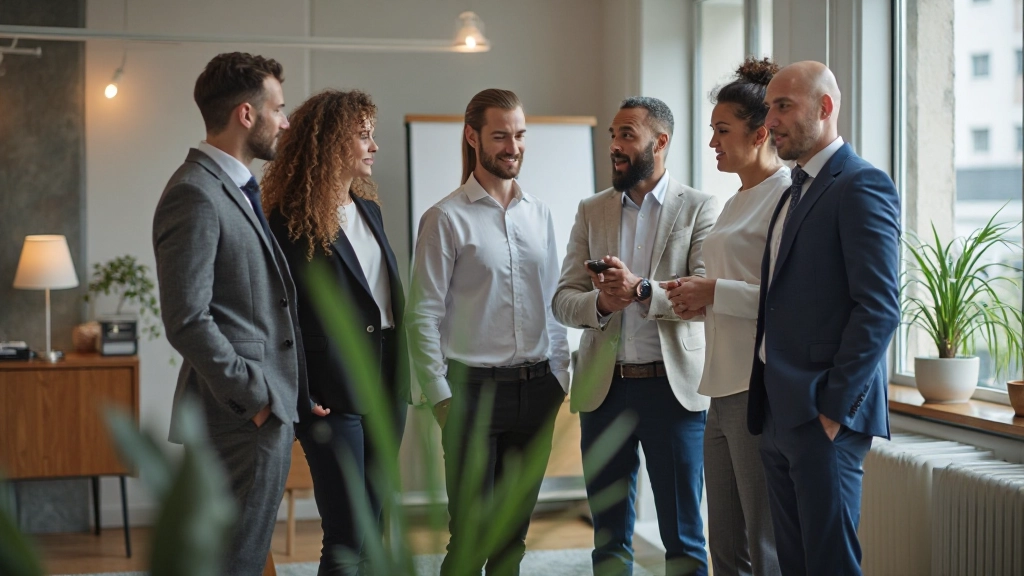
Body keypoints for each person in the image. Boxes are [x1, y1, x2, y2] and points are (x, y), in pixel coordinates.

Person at [152, 52, 323, 576]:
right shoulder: (194, 192)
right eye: (279, 108)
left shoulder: (240, 190)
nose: (287, 121)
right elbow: (187, 318)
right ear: (246, 115)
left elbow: (258, 308)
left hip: (262, 412)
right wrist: (256, 400)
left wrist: (294, 391)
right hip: (240, 418)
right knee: (233, 562)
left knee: (241, 556)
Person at [406, 88, 570, 576]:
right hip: (471, 396)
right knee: (472, 537)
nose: (513, 146)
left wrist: (558, 375)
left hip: (538, 389)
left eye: (519, 135)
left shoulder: (539, 213)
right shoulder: (444, 217)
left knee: (512, 539)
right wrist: (440, 397)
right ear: (472, 138)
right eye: (500, 136)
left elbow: (552, 302)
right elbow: (423, 315)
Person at [552, 96, 719, 576]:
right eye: (612, 135)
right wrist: (603, 303)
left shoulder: (700, 209)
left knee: (684, 539)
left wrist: (642, 290)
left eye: (627, 134)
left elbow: (705, 296)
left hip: (675, 393)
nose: (615, 146)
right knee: (608, 540)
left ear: (660, 142)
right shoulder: (592, 211)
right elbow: (564, 299)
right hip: (605, 392)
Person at [747, 61, 900, 576]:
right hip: (776, 408)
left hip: (821, 415)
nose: (770, 120)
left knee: (830, 565)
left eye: (783, 106)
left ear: (825, 107)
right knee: (795, 564)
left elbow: (878, 308)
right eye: (769, 107)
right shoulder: (794, 188)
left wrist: (833, 409)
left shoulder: (861, 184)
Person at [262, 89, 409, 576]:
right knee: (348, 534)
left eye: (373, 134)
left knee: (376, 523)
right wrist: (301, 389)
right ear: (328, 144)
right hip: (330, 389)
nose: (375, 145)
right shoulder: (287, 220)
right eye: (363, 135)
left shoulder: (369, 209)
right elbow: (279, 316)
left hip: (385, 378)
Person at [663, 57, 786, 576]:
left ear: (760, 133)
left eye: (722, 130)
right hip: (718, 387)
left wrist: (714, 290)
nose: (712, 142)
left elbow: (783, 299)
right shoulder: (736, 200)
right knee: (725, 546)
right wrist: (691, 295)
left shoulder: (785, 196)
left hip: (756, 387)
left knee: (764, 546)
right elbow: (726, 289)